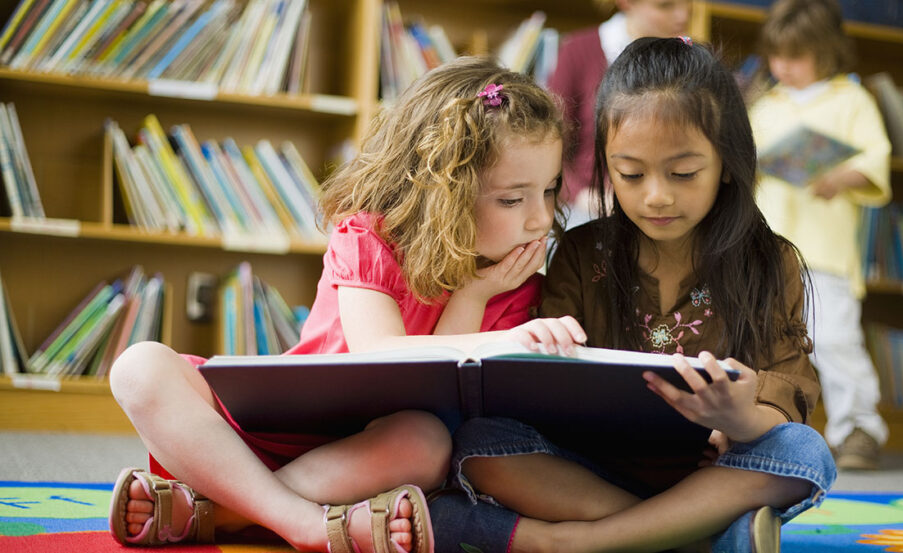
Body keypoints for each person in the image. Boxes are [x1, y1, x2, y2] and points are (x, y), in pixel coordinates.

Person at [106, 57, 586, 553]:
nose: (541, 219)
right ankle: (306, 526)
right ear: (443, 191)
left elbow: (431, 396)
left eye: (549, 191)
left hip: (361, 456)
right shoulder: (368, 236)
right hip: (255, 433)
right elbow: (379, 351)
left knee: (427, 443)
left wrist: (473, 294)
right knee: (138, 368)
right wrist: (496, 335)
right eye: (512, 200)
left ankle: (218, 513)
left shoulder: (516, 285)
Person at [427, 37, 836, 553]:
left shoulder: (768, 262)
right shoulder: (580, 252)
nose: (656, 195)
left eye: (683, 173)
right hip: (592, 473)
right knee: (479, 443)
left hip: (717, 472)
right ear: (606, 163)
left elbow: (790, 387)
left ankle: (571, 544)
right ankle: (694, 538)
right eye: (631, 174)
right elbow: (538, 389)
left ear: (727, 163)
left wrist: (740, 418)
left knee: (805, 452)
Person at [750, 0, 892, 470]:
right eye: (776, 56)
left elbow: (876, 158)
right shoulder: (765, 105)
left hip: (825, 251)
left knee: (834, 340)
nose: (783, 67)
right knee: (765, 340)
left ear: (826, 52)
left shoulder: (851, 100)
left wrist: (842, 177)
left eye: (796, 56)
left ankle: (857, 429)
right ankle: (767, 427)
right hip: (767, 248)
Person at [548, 0, 692, 228]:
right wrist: (579, 195)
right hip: (590, 208)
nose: (683, 15)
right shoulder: (577, 50)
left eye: (689, 2)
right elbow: (548, 142)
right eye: (665, 6)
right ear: (626, 3)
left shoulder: (691, 59)